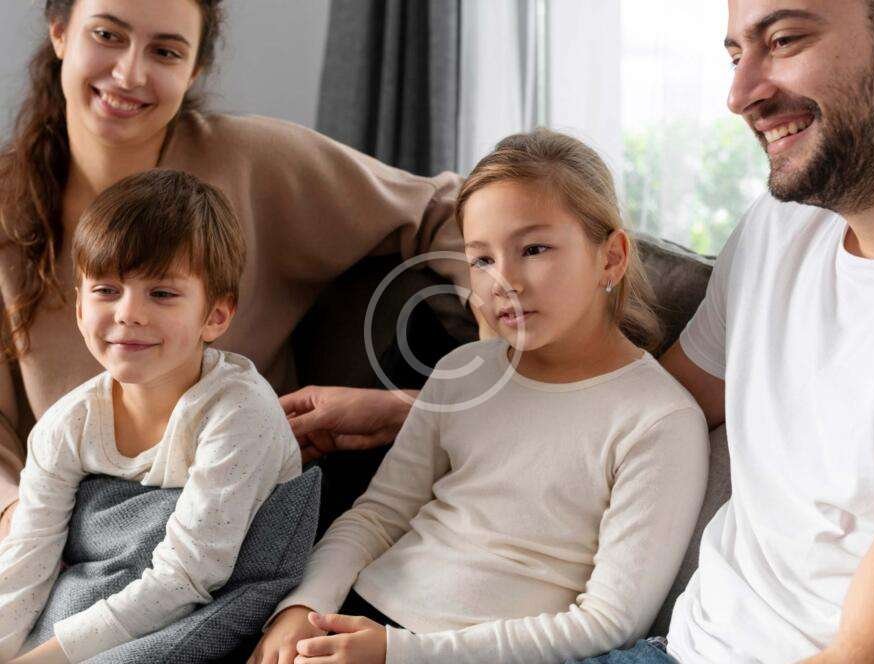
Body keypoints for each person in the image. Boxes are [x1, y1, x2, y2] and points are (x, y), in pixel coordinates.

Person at [0, 0, 466, 538]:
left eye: (166, 51)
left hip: (244, 520)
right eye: (107, 35)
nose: (129, 73)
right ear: (60, 33)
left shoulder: (250, 162)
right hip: (69, 532)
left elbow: (444, 209)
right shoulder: (9, 207)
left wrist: (493, 356)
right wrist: (22, 524)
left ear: (194, 68)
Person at [247, 129, 710, 664]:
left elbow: (608, 621)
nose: (503, 281)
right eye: (482, 259)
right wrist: (301, 607)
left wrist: (399, 653)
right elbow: (376, 516)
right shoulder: (461, 372)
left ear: (611, 258)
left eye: (534, 249)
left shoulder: (659, 420)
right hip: (353, 621)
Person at [564, 0, 874, 662]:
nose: (740, 96)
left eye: (785, 40)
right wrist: (427, 414)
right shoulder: (782, 226)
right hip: (674, 648)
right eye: (737, 56)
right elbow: (659, 400)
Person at [0, 169, 304, 663]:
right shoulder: (67, 424)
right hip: (110, 600)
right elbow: (25, 566)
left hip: (209, 602)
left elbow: (189, 575)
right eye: (105, 290)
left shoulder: (238, 410)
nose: (129, 313)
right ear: (78, 306)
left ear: (216, 316)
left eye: (161, 294)